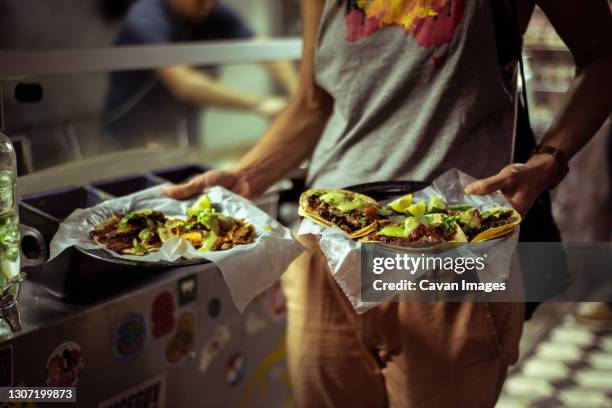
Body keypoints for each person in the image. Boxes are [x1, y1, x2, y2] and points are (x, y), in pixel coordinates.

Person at [166, 0, 612, 406]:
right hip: (327, 252)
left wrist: (546, 163)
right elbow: (312, 104)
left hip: (451, 251)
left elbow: (602, 56)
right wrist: (246, 174)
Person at [103, 0, 298, 148]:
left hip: (180, 125)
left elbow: (265, 50)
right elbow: (184, 83)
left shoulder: (212, 11)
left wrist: (299, 96)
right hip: (131, 131)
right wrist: (261, 104)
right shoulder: (145, 18)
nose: (208, 5)